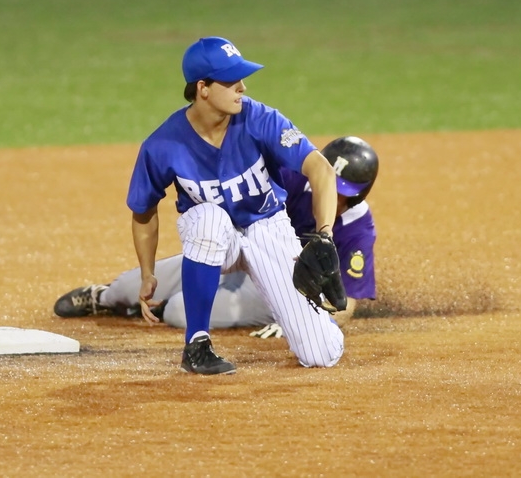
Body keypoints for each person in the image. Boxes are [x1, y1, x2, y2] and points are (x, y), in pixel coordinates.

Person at [121, 36, 354, 376]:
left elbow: (319, 167)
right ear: (202, 88)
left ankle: (317, 322)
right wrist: (147, 272)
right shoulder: (163, 145)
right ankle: (197, 343)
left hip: (267, 227)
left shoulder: (259, 119)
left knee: (321, 354)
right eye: (231, 81)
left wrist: (325, 234)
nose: (242, 87)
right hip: (215, 236)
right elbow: (143, 212)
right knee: (210, 219)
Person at [54, 136, 380, 338]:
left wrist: (301, 318)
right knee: (126, 288)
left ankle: (157, 309)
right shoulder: (293, 177)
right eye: (329, 185)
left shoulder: (357, 228)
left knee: (179, 311)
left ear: (358, 195)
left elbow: (348, 303)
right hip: (242, 251)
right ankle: (104, 298)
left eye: (341, 192)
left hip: (281, 285)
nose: (332, 195)